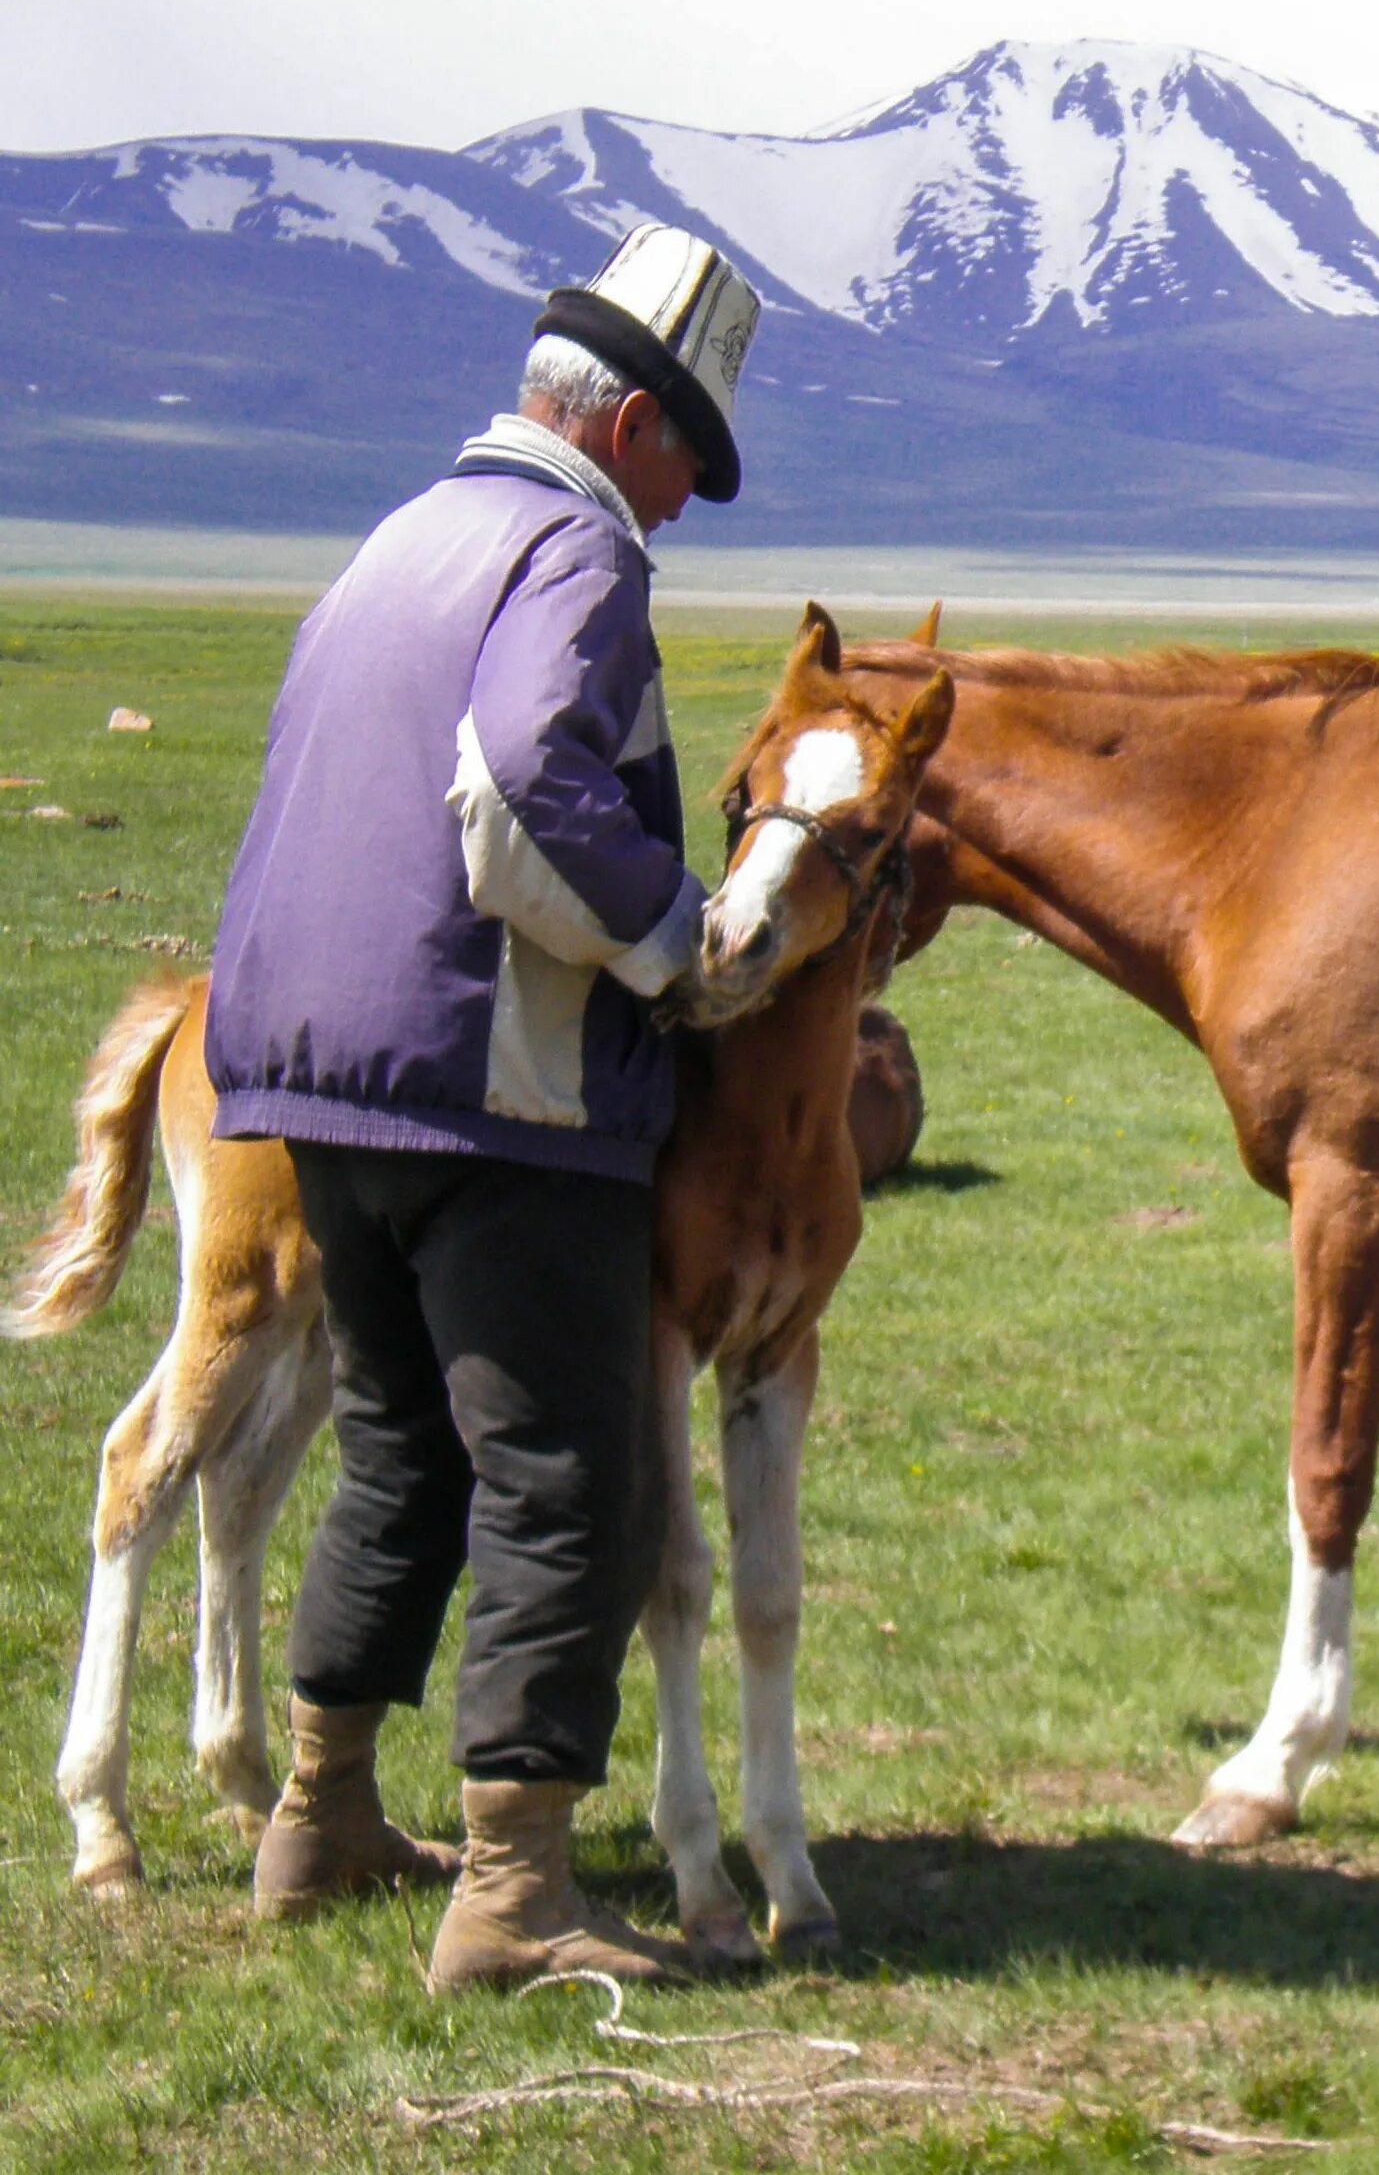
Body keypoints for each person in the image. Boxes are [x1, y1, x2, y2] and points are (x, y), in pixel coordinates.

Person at [203, 225, 762, 1989]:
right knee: (560, 1466)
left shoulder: (401, 539)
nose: (682, 506)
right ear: (627, 428)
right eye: (687, 461)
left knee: (400, 1449)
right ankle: (517, 1892)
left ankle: (323, 1814)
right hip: (490, 1085)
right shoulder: (575, 552)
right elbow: (523, 778)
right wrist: (677, 939)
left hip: (315, 1078)